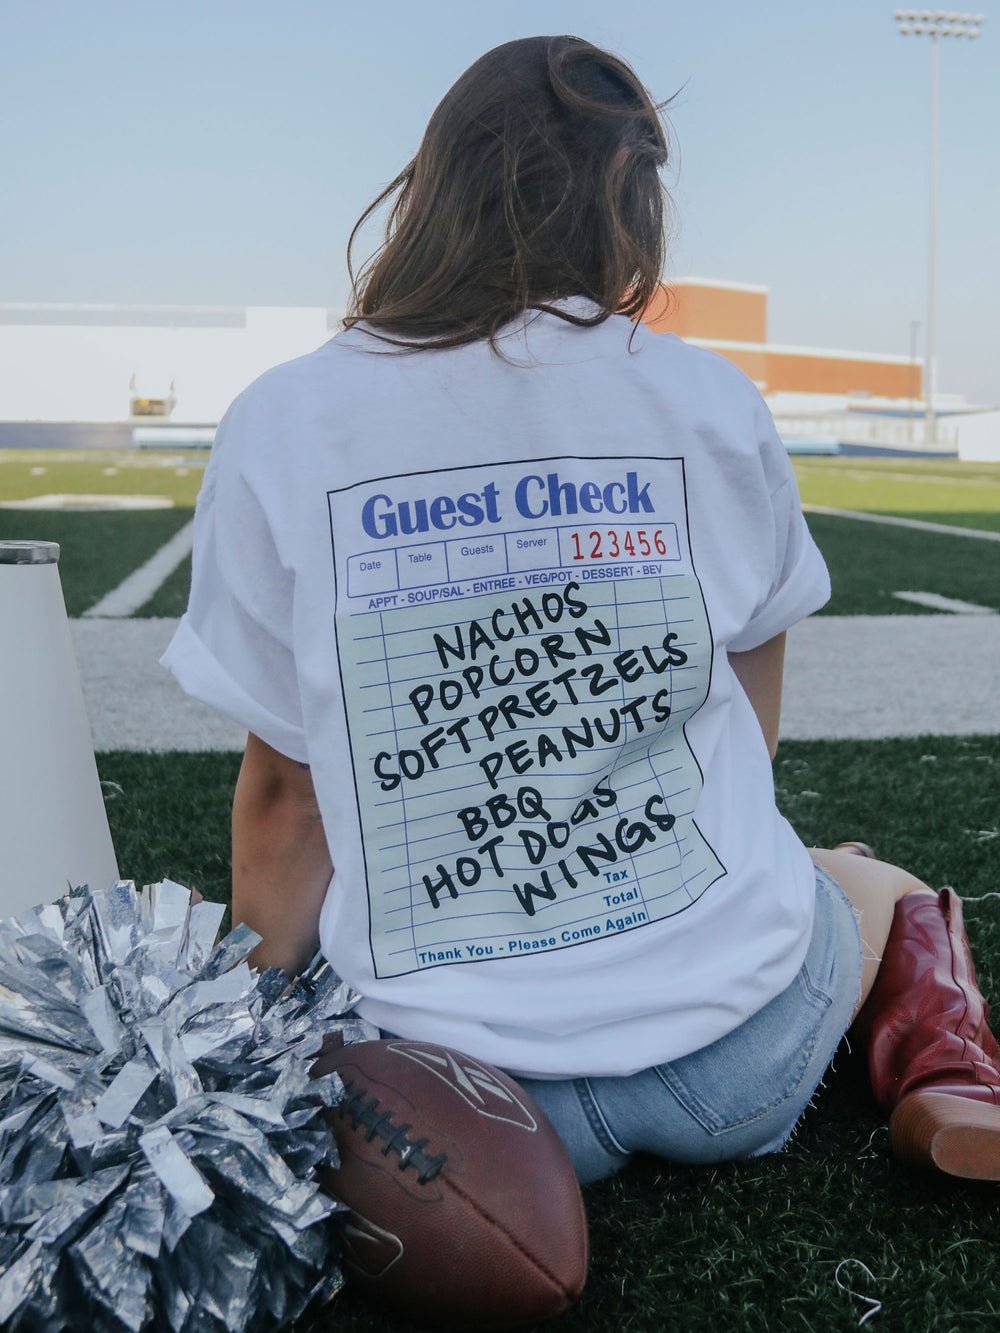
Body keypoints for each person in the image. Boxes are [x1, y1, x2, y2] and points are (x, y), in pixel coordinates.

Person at [163, 35, 1000, 1186]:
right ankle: (947, 1063)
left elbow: (285, 799)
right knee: (871, 881)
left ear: (430, 189)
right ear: (630, 210)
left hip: (451, 1109)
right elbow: (747, 740)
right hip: (735, 1075)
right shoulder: (710, 397)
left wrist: (252, 1028)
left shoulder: (286, 416)